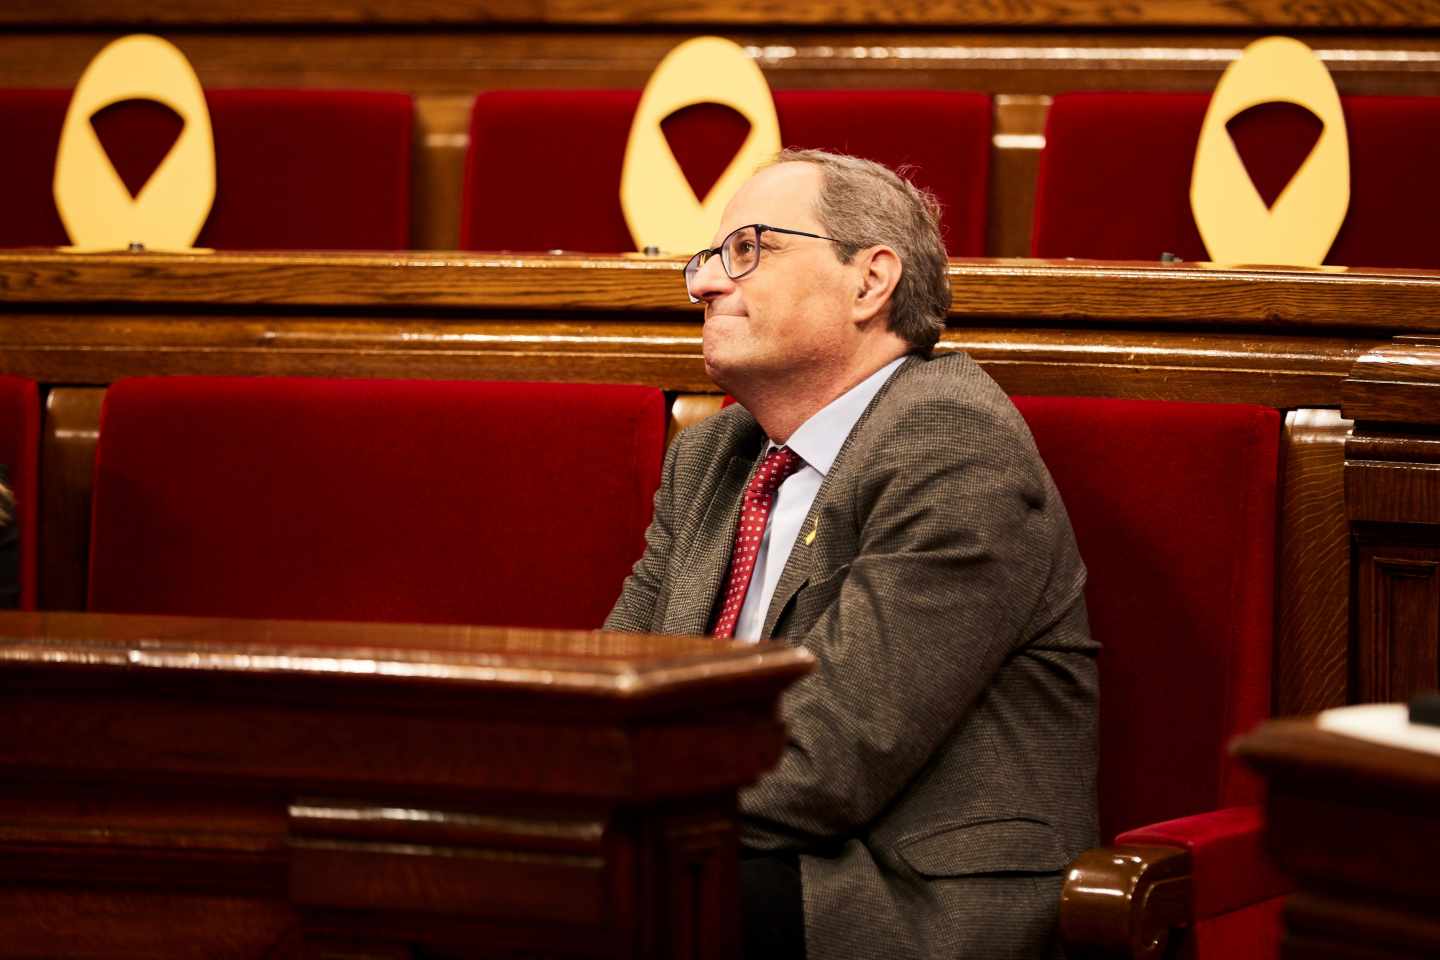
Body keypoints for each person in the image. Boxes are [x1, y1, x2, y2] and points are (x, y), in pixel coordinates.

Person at [605, 149, 1098, 959]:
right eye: (707, 259)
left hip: (894, 895)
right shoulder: (713, 457)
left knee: (579, 892)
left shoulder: (955, 446)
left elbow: (827, 760)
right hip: (732, 844)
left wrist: (602, 808)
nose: (703, 284)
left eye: (747, 251)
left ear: (869, 280)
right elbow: (615, 682)